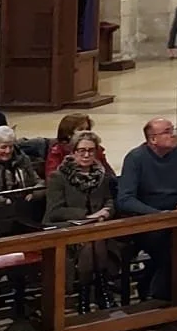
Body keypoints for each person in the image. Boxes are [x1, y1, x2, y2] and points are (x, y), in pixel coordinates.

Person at [117, 117, 177, 302]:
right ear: (152, 139)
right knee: (169, 246)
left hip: (176, 213)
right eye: (167, 132)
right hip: (148, 218)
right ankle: (164, 295)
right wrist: (156, 214)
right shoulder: (135, 158)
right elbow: (125, 199)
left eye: (172, 130)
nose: (173, 135)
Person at [44, 129, 121, 308]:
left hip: (97, 228)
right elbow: (54, 212)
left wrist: (106, 212)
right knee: (89, 242)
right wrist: (87, 216)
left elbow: (109, 200)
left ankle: (96, 292)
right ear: (73, 152)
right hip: (66, 228)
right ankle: (89, 294)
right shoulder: (59, 177)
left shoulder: (101, 175)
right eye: (82, 151)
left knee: (96, 240)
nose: (86, 155)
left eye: (91, 151)